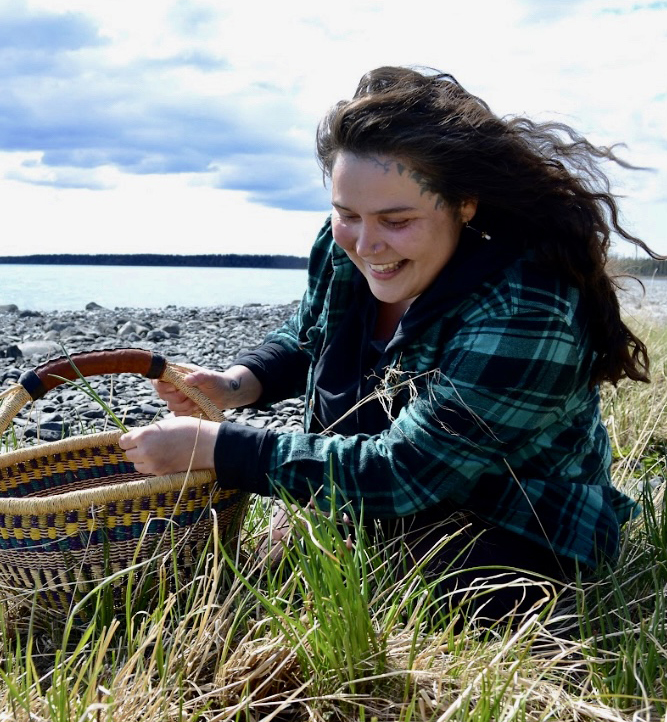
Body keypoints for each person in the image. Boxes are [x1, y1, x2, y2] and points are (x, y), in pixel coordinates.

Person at [119, 66, 664, 624]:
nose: (368, 242)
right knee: (239, 591)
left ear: (465, 204)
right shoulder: (347, 247)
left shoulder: (528, 308)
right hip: (370, 502)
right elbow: (309, 337)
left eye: (397, 220)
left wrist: (217, 449)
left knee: (442, 604)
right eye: (346, 213)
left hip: (512, 525)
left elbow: (407, 470)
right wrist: (236, 384)